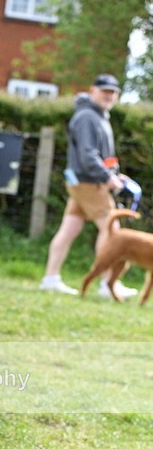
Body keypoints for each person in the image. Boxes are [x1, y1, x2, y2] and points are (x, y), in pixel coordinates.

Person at [40, 74, 137, 298]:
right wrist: (106, 177)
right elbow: (87, 154)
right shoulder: (87, 117)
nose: (109, 95)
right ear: (92, 90)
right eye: (104, 90)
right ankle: (108, 284)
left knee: (69, 229)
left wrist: (116, 174)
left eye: (113, 92)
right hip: (89, 183)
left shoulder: (99, 116)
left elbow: (100, 155)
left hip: (86, 181)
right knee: (112, 230)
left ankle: (50, 279)